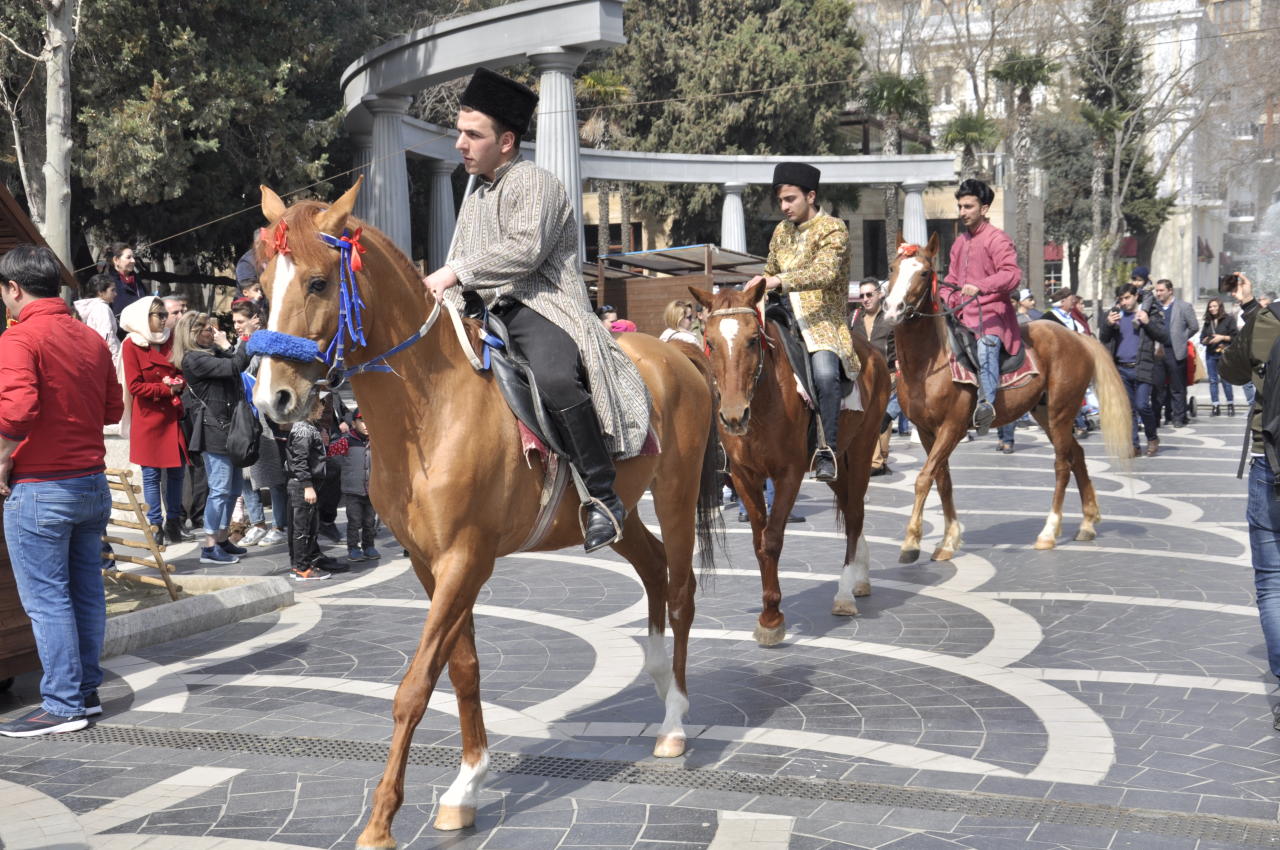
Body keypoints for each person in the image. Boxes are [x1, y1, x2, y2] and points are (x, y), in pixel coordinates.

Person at [422, 67, 649, 553]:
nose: (460, 144)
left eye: (472, 135)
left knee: (556, 379)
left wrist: (452, 273)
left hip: (541, 305)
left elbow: (523, 251)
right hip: (484, 310)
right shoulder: (476, 193)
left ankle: (604, 498)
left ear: (506, 141)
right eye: (459, 133)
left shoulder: (538, 182)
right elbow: (466, 258)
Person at [0, 245, 123, 737]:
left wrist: (2, 456)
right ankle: (83, 693)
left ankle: (65, 702)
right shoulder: (90, 338)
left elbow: (17, 410)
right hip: (90, 481)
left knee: (48, 600)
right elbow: (113, 410)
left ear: (14, 288)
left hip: (40, 486)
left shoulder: (18, 338)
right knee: (86, 593)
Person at [748, 161, 855, 482]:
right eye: (781, 200)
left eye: (790, 199)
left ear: (811, 196)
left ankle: (827, 449)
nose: (784, 207)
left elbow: (825, 272)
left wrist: (778, 281)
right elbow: (769, 272)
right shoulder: (781, 232)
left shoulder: (834, 228)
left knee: (824, 373)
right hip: (783, 317)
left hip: (822, 321)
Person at [1217, 271, 1280, 728]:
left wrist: (1254, 309)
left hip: (1271, 461)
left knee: (1273, 582)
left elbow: (1230, 368)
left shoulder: (1265, 320)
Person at [943, 178, 1022, 436]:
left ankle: (986, 404)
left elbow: (1012, 274)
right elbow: (951, 280)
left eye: (968, 206)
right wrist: (944, 294)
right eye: (960, 206)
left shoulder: (997, 239)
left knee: (986, 347)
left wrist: (980, 285)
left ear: (984, 209)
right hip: (961, 315)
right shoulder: (959, 243)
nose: (962, 212)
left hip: (991, 317)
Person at [172, 311, 251, 564]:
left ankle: (221, 538)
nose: (212, 331)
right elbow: (235, 364)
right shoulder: (193, 359)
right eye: (206, 328)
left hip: (230, 429)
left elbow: (236, 365)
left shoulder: (211, 354)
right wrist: (240, 341)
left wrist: (228, 347)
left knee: (234, 489)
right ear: (192, 334)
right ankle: (208, 546)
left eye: (210, 327)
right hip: (213, 431)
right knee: (219, 489)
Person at [120, 296, 189, 545]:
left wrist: (179, 383)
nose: (163, 319)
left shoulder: (171, 340)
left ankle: (174, 521)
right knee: (151, 475)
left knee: (177, 472)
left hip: (171, 415)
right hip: (148, 417)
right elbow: (135, 386)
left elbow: (181, 370)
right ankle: (155, 523)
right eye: (158, 315)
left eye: (164, 315)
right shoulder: (132, 345)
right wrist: (166, 390)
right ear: (144, 317)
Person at [1099, 283, 1169, 457]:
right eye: (1121, 299)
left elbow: (1163, 336)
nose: (1124, 302)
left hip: (1142, 366)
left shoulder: (1148, 313)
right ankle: (1134, 445)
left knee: (1142, 405)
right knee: (1128, 409)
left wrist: (1147, 322)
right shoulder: (1114, 314)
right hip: (1121, 369)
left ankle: (1152, 438)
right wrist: (1108, 324)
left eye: (1127, 297)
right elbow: (1103, 338)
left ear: (1136, 296)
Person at [286, 396, 343, 580]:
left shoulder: (310, 427)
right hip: (302, 486)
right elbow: (299, 461)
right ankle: (302, 568)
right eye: (319, 406)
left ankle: (304, 563)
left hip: (307, 484)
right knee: (302, 528)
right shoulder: (303, 429)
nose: (322, 409)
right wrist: (307, 486)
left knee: (309, 526)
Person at [850, 278, 896, 475]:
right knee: (870, 417)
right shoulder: (853, 318)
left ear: (880, 294)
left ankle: (881, 458)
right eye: (862, 296)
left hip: (889, 374)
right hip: (863, 376)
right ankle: (875, 462)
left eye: (869, 294)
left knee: (883, 419)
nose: (865, 299)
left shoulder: (891, 317)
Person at [331, 414, 380, 562]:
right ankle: (353, 548)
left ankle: (369, 546)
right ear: (353, 423)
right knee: (354, 521)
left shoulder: (377, 441)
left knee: (369, 522)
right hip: (353, 491)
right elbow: (330, 453)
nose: (365, 425)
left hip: (372, 491)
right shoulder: (346, 441)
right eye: (361, 420)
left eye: (368, 420)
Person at [1150, 278, 1199, 428]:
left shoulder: (1183, 306)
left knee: (1177, 387)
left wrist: (1182, 339)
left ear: (1170, 291)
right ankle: (1156, 417)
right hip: (1158, 352)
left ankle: (1178, 417)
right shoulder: (1153, 307)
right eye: (1157, 291)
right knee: (1157, 387)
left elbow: (1194, 326)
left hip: (1175, 351)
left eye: (1161, 290)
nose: (1158, 293)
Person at [73, 274, 122, 370]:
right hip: (108, 360)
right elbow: (107, 336)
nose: (115, 294)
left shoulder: (93, 308)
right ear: (100, 292)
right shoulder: (102, 308)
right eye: (112, 290)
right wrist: (115, 361)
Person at [1201, 297, 1237, 417]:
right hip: (1211, 353)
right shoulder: (1208, 321)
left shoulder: (1229, 319)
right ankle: (1215, 405)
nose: (1212, 309)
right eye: (1210, 307)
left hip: (1224, 353)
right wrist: (1205, 340)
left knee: (1226, 380)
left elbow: (1235, 337)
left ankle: (1230, 405)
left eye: (1214, 306)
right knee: (1212, 380)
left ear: (1220, 307)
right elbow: (1202, 338)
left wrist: (1222, 337)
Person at [102, 242, 146, 318]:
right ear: (116, 260)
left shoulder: (137, 281)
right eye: (128, 257)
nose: (133, 261)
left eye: (133, 257)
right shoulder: (107, 282)